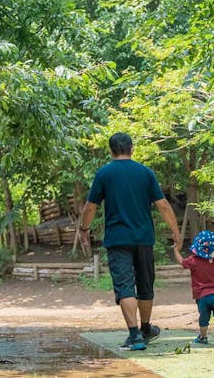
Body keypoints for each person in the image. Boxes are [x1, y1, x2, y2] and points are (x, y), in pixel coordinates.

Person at [78, 132, 182, 351]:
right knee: (145, 284)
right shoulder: (145, 172)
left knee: (125, 286)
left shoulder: (104, 173)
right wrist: (176, 232)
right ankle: (145, 328)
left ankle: (135, 335)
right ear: (132, 148)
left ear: (110, 150)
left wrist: (83, 229)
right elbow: (162, 204)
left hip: (117, 240)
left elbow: (90, 207)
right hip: (144, 238)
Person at [171, 230, 214, 346]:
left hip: (203, 295)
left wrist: (176, 250)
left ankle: (203, 337)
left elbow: (182, 262)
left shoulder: (193, 260)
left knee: (204, 318)